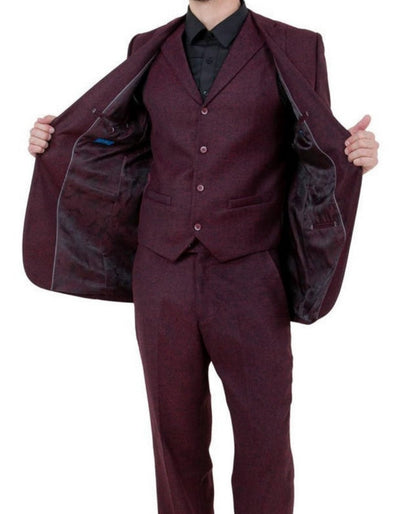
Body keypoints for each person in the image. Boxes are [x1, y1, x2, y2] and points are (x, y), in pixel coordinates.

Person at [25, 1, 379, 513]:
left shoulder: (299, 46)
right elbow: (124, 140)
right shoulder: (148, 46)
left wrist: (354, 156)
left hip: (251, 274)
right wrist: (59, 138)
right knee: (176, 442)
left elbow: (314, 151)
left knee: (264, 444)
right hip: (161, 273)